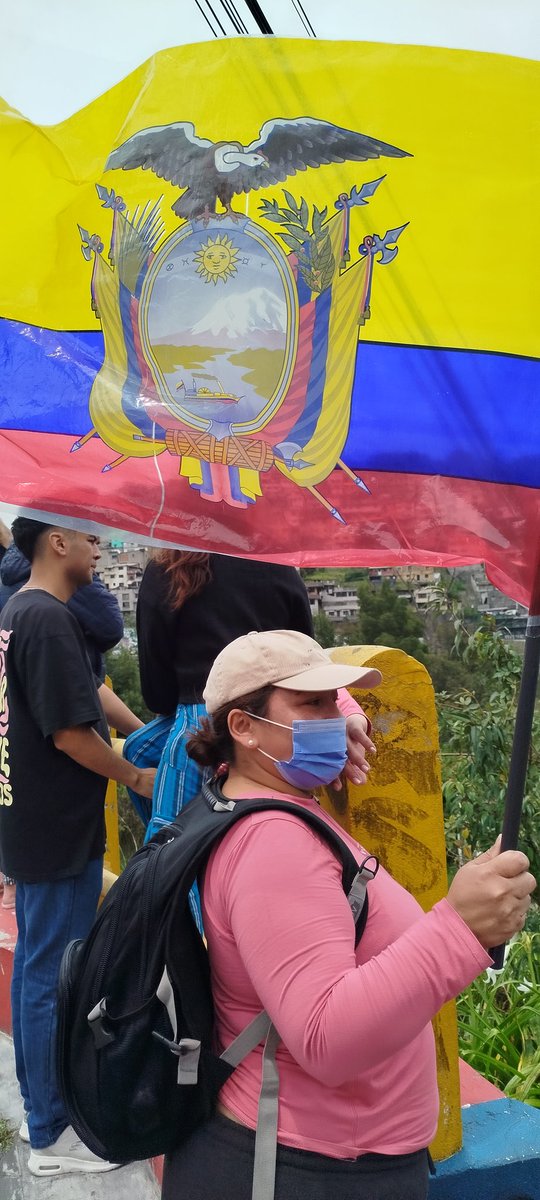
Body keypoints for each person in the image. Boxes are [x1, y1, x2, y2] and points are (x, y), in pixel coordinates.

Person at [161, 629, 536, 1200]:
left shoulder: (242, 793)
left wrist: (340, 711)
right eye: (313, 704)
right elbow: (325, 1038)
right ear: (243, 727)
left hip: (320, 1152)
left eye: (336, 702)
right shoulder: (273, 846)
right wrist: (459, 928)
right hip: (305, 1168)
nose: (333, 717)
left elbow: (294, 699)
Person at [0, 517, 156, 1178]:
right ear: (55, 543)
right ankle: (52, 1132)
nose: (100, 548)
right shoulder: (46, 619)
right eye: (89, 538)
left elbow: (80, 697)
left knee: (40, 967)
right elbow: (70, 733)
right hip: (55, 828)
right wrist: (136, 774)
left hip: (28, 821)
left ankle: (49, 1118)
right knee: (48, 977)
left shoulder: (22, 613)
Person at [125, 552, 374, 842]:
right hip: (274, 718)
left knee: (170, 843)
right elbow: (306, 662)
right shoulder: (278, 566)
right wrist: (340, 711)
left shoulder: (165, 569)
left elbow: (157, 695)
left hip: (198, 720)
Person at [0, 535, 124, 679]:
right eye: (90, 541)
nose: (97, 553)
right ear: (59, 544)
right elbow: (111, 627)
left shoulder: (14, 593)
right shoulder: (50, 608)